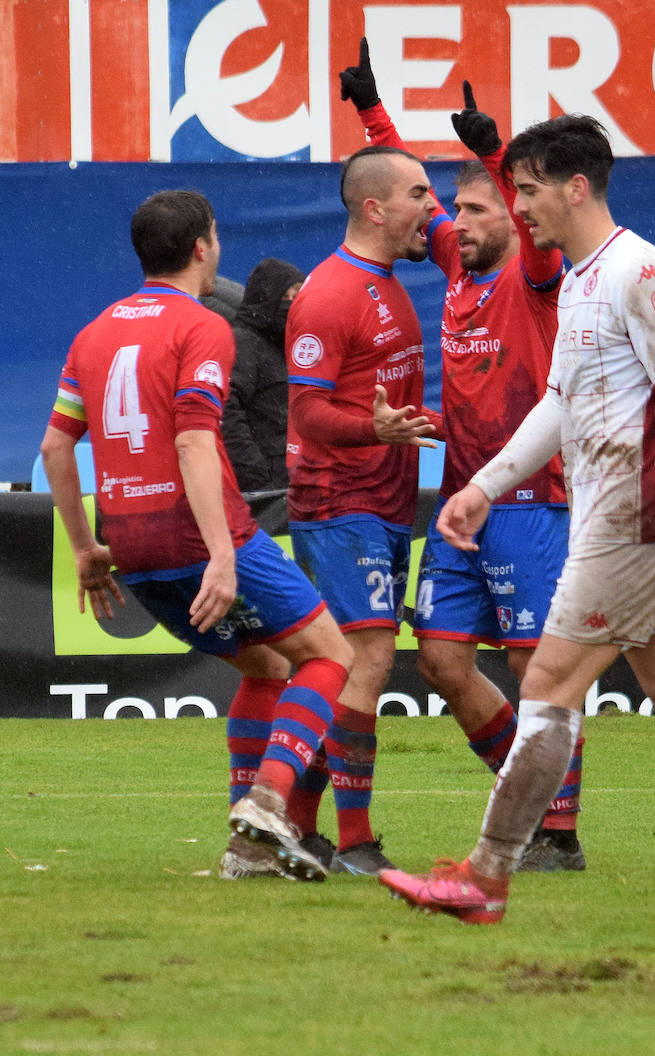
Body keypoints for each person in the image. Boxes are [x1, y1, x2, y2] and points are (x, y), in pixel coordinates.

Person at [376, 114, 655, 925]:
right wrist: (485, 487)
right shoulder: (578, 279)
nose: (517, 206)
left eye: (525, 191)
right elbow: (561, 403)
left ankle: (486, 877)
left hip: (633, 520)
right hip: (625, 515)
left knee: (548, 684)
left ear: (574, 188)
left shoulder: (640, 271)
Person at [40, 189, 354, 883]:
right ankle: (269, 801)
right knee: (331, 656)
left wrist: (86, 549)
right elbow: (192, 440)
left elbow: (56, 449)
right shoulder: (203, 325)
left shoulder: (94, 333)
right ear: (202, 247)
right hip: (198, 536)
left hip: (131, 545)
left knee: (265, 667)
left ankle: (246, 849)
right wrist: (222, 553)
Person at [338, 41, 584, 870]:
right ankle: (530, 785)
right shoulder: (455, 263)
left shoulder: (538, 275)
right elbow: (404, 201)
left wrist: (496, 151)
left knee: (534, 668)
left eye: (477, 211)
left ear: (513, 218)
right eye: (456, 212)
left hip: (535, 501)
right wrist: (371, 114)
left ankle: (558, 832)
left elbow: (522, 211)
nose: (455, 222)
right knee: (441, 660)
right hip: (462, 503)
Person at [282, 144, 442, 876]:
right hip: (337, 501)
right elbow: (309, 412)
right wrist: (374, 430)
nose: (431, 209)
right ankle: (352, 842)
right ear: (375, 208)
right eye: (418, 194)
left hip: (382, 502)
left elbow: (368, 397)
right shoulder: (329, 294)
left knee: (343, 664)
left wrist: (417, 423)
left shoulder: (383, 282)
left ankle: (293, 825)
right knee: (365, 660)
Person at [221, 257, 304, 492]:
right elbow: (226, 415)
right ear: (269, 297)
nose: (296, 303)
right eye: (291, 294)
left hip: (286, 490)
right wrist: (260, 481)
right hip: (265, 496)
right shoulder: (242, 343)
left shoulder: (283, 348)